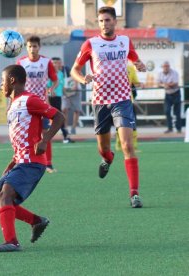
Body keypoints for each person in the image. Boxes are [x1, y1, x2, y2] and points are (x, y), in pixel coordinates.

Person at [70, 6, 146, 208]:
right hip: (101, 102)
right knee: (103, 149)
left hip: (122, 100)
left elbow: (135, 59)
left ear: (115, 22)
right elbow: (74, 70)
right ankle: (107, 159)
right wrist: (82, 77)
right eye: (101, 21)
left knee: (128, 146)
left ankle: (134, 194)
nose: (104, 24)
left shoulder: (124, 41)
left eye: (107, 20)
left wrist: (139, 64)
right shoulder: (91, 44)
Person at [0, 64, 64, 252]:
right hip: (20, 161)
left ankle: (11, 242)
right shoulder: (12, 106)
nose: (0, 85)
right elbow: (21, 137)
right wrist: (12, 162)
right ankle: (36, 221)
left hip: (32, 162)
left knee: (6, 195)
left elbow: (59, 116)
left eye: (2, 81)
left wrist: (45, 139)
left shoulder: (30, 100)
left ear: (12, 81)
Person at [17, 35, 59, 173]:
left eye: (35, 46)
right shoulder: (21, 63)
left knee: (45, 133)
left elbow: (55, 80)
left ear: (39, 47)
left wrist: (51, 89)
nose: (32, 49)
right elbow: (16, 84)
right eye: (29, 46)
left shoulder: (46, 62)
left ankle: (48, 163)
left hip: (41, 103)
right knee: (24, 134)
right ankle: (23, 160)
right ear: (26, 48)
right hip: (25, 104)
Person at [115, 63, 143, 151]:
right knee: (119, 124)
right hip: (115, 100)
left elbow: (136, 82)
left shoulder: (130, 68)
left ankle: (133, 146)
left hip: (128, 100)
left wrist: (140, 84)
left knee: (132, 123)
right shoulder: (113, 67)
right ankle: (119, 144)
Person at [48, 57, 74, 143]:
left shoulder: (60, 74)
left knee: (58, 118)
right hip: (50, 98)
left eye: (58, 63)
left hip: (58, 98)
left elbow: (62, 86)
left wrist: (67, 95)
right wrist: (50, 92)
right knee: (58, 117)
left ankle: (63, 136)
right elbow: (45, 87)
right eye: (54, 63)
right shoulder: (48, 75)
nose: (57, 64)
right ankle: (65, 136)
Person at [157, 61, 181, 133]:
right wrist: (164, 85)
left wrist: (166, 84)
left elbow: (175, 83)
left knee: (177, 112)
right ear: (162, 67)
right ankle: (170, 128)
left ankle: (178, 129)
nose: (166, 68)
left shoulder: (174, 72)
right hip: (168, 94)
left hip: (176, 93)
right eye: (165, 66)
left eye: (167, 66)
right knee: (167, 111)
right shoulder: (160, 74)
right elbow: (158, 83)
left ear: (169, 66)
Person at [61, 63, 82, 136]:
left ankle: (73, 128)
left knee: (77, 110)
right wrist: (65, 92)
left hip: (76, 93)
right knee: (64, 109)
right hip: (66, 93)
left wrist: (74, 86)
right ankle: (65, 128)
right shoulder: (58, 74)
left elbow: (76, 85)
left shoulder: (71, 71)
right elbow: (61, 86)